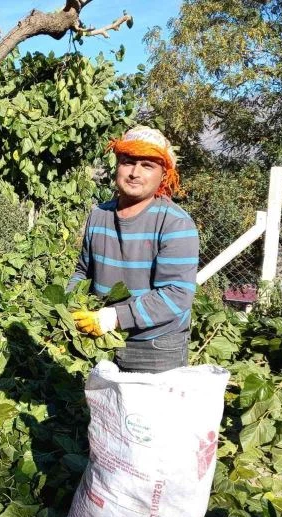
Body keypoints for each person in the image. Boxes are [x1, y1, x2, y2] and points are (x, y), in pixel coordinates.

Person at [68, 126, 199, 373]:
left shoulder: (175, 223)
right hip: (100, 340)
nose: (135, 173)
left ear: (164, 175)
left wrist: (113, 317)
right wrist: (69, 306)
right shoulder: (99, 215)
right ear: (117, 165)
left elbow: (177, 294)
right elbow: (83, 272)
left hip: (155, 346)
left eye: (147, 165)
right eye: (128, 162)